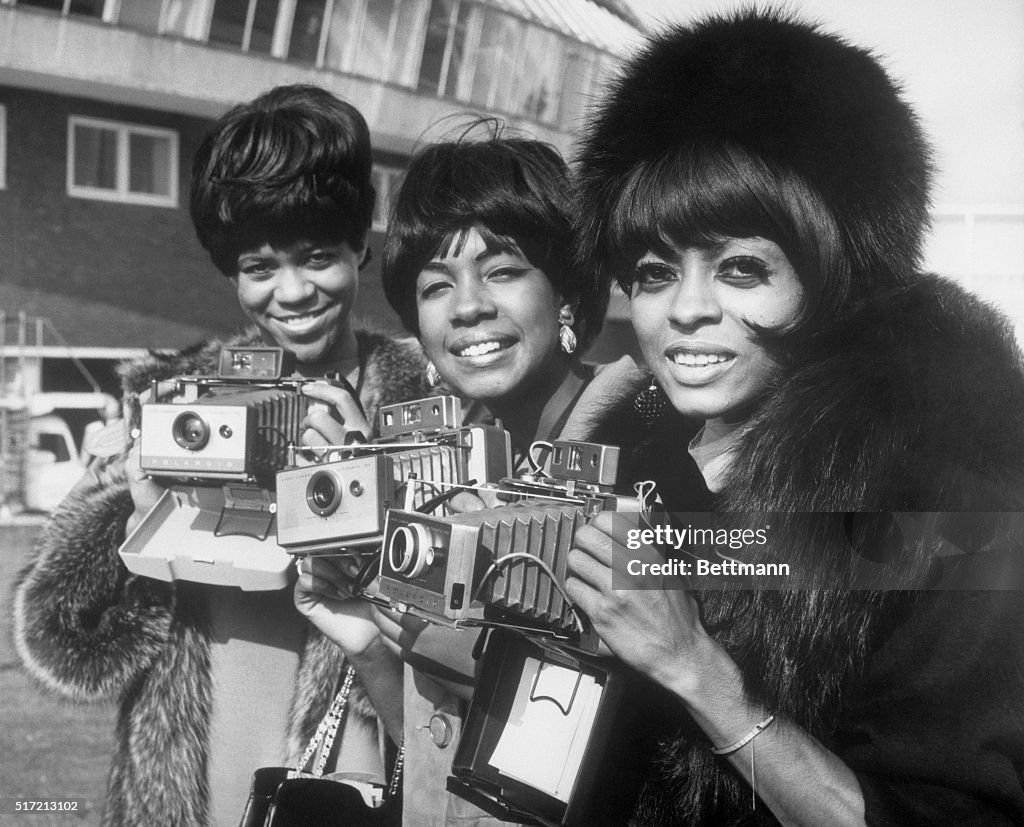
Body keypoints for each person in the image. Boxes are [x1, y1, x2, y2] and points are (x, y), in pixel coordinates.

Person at [565, 9, 1024, 825]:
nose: (687, 310)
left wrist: (697, 669)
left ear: (832, 276)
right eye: (653, 270)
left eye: (741, 267)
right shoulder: (625, 457)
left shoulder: (948, 503)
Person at [13, 84, 426, 827]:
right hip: (191, 779)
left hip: (349, 772)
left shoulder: (423, 402)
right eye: (260, 266)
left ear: (361, 247)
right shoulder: (169, 406)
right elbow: (63, 639)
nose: (292, 291)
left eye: (319, 256)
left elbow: (454, 649)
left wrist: (367, 486)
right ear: (231, 272)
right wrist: (130, 521)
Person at [294, 129, 650, 826]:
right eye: (435, 284)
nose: (467, 307)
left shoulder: (648, 453)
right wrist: (370, 643)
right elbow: (450, 763)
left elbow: (640, 758)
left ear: (569, 292)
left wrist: (444, 644)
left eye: (503, 269)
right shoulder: (452, 467)